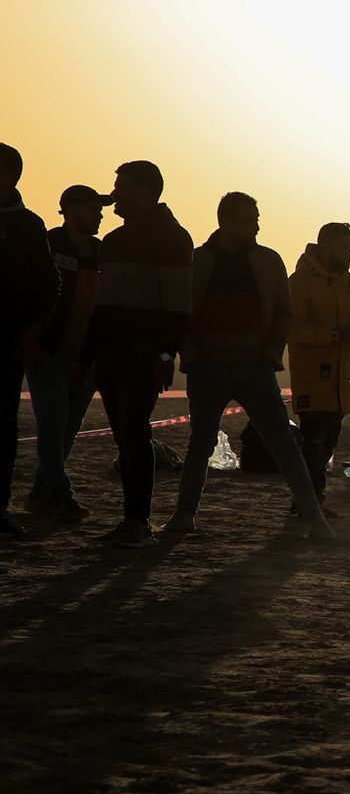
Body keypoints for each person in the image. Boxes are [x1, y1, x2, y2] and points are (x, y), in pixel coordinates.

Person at [165, 193, 331, 538]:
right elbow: (179, 311)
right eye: (248, 219)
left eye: (256, 219)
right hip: (208, 366)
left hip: (255, 367)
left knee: (283, 442)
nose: (255, 225)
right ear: (225, 221)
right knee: (201, 443)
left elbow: (284, 312)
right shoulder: (197, 262)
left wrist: (270, 355)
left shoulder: (269, 262)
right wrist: (192, 354)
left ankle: (313, 516)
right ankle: (184, 515)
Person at [89, 160, 194, 548]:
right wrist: (89, 354)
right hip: (111, 352)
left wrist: (166, 355)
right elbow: (101, 305)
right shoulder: (114, 242)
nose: (114, 193)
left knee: (134, 431)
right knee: (124, 434)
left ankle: (138, 521)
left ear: (146, 191)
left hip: (143, 353)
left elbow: (179, 304)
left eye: (122, 187)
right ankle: (132, 520)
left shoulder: (172, 238)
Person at [24, 184, 108, 524]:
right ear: (69, 209)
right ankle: (60, 494)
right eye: (91, 208)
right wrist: (33, 342)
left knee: (69, 427)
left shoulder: (102, 252)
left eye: (99, 209)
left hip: (84, 355)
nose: (99, 214)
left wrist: (90, 356)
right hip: (49, 351)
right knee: (52, 425)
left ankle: (41, 493)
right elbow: (34, 294)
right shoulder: (49, 244)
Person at [1, 143, 59, 538]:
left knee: (4, 430)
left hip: (10, 342)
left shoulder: (29, 225)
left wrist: (34, 327)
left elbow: (48, 281)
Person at [288, 222, 350, 511]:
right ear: (324, 246)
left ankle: (309, 500)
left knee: (329, 442)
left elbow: (349, 326)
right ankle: (309, 500)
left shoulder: (349, 283)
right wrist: (333, 334)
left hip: (339, 380)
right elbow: (293, 328)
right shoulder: (300, 282)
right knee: (313, 443)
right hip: (311, 376)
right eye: (344, 248)